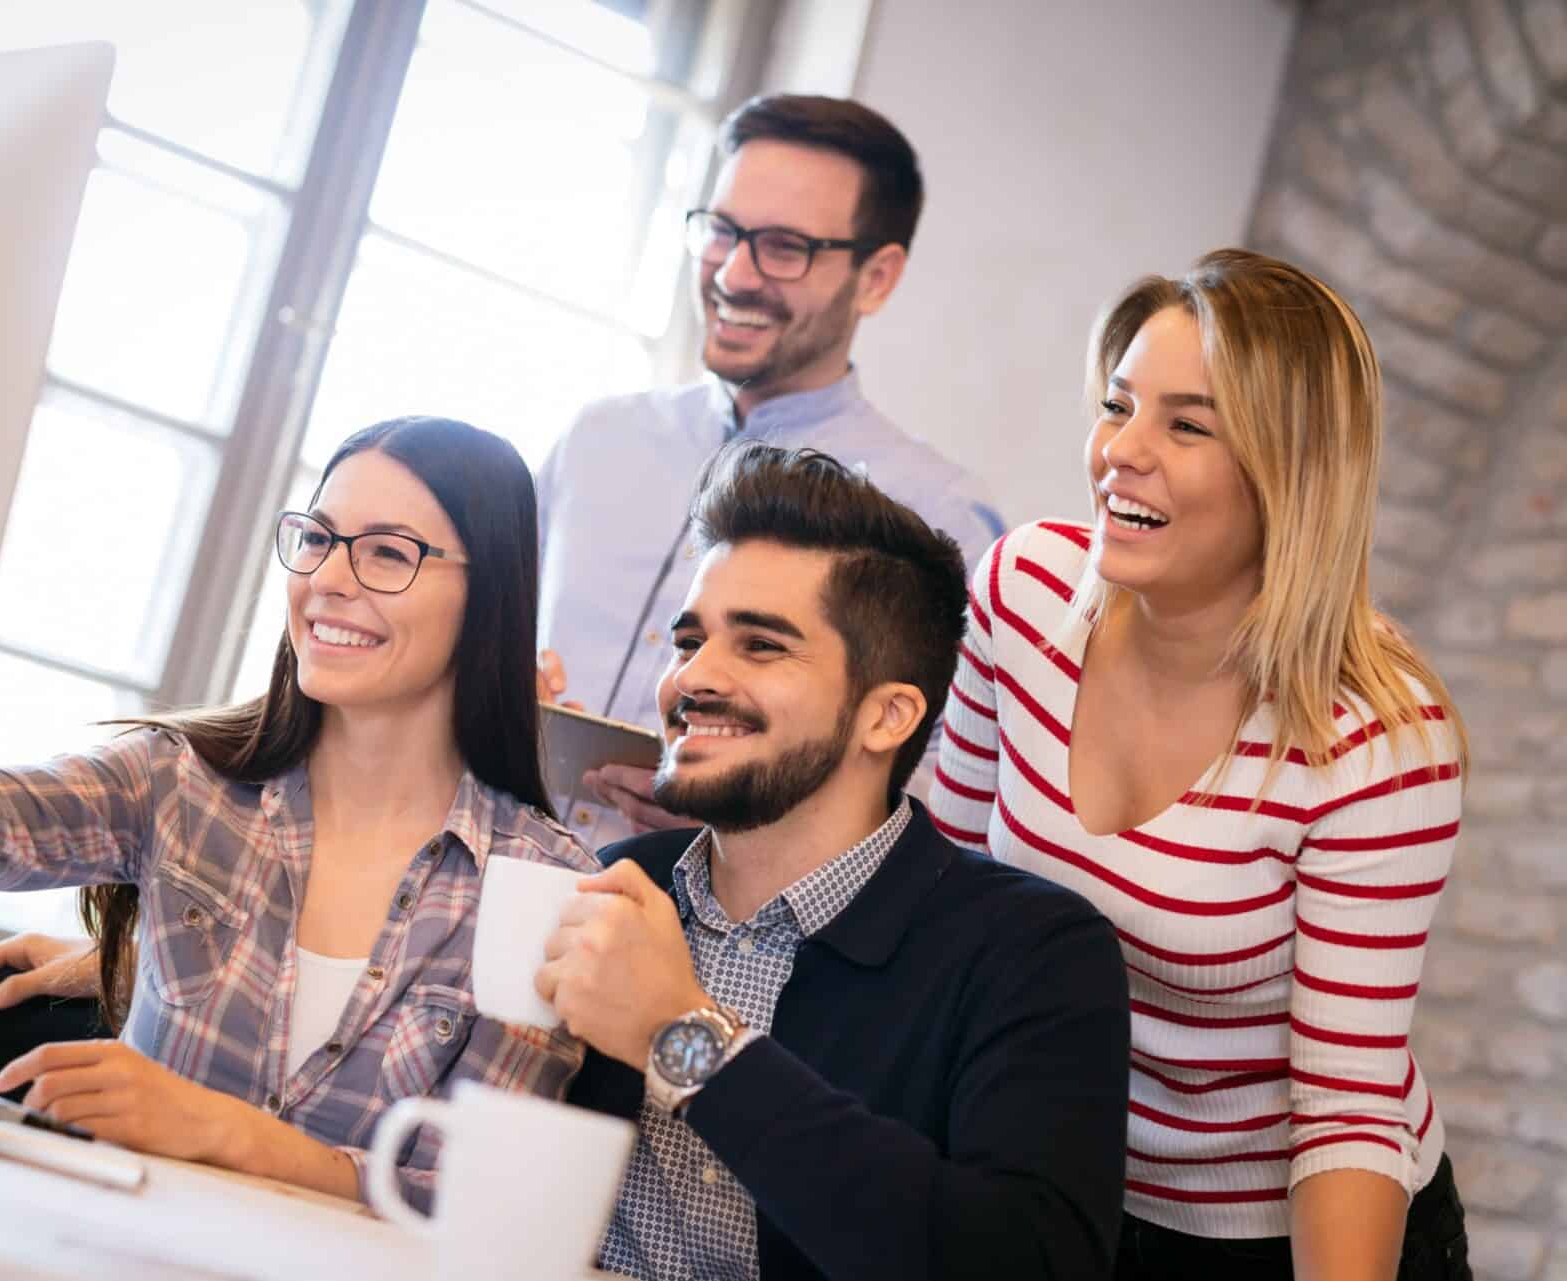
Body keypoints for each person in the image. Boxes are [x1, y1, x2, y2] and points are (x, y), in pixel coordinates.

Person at [927, 250, 1473, 1279]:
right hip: (1051, 1184)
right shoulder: (1023, 594)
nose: (1118, 453)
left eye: (1186, 425)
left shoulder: (1377, 738)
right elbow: (941, 907)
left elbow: (1347, 1105)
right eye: (1117, 404)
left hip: (1275, 1236)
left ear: (1288, 475)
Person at [0, 416, 594, 1207]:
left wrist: (227, 1132)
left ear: (490, 593)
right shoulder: (181, 783)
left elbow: (467, 1202)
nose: (330, 579)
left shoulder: (546, 884)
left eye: (388, 552)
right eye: (317, 538)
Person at [539, 441, 1132, 1281]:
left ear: (887, 716)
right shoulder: (614, 882)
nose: (691, 677)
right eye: (689, 639)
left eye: (761, 646)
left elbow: (1023, 1263)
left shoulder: (1037, 953)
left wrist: (688, 1039)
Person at [536, 92, 1000, 848]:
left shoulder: (940, 516)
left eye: (784, 247)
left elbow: (956, 791)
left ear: (877, 278)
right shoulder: (596, 440)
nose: (735, 274)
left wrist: (766, 806)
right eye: (722, 231)